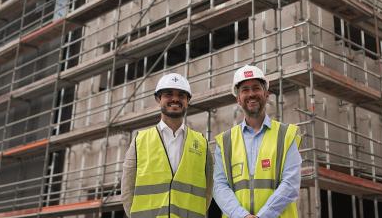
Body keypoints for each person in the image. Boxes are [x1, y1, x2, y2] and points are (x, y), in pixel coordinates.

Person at [213, 65, 301, 218]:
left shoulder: (285, 134)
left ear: (266, 94)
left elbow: (291, 183)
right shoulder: (225, 141)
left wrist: (263, 216)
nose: (251, 94)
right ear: (238, 99)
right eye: (245, 90)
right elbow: (219, 186)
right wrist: (243, 216)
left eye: (256, 88)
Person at [122, 72, 213, 217]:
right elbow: (127, 190)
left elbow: (208, 190)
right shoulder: (140, 140)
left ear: (187, 101)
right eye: (168, 94)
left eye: (181, 95)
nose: (175, 99)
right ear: (158, 99)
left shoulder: (202, 143)